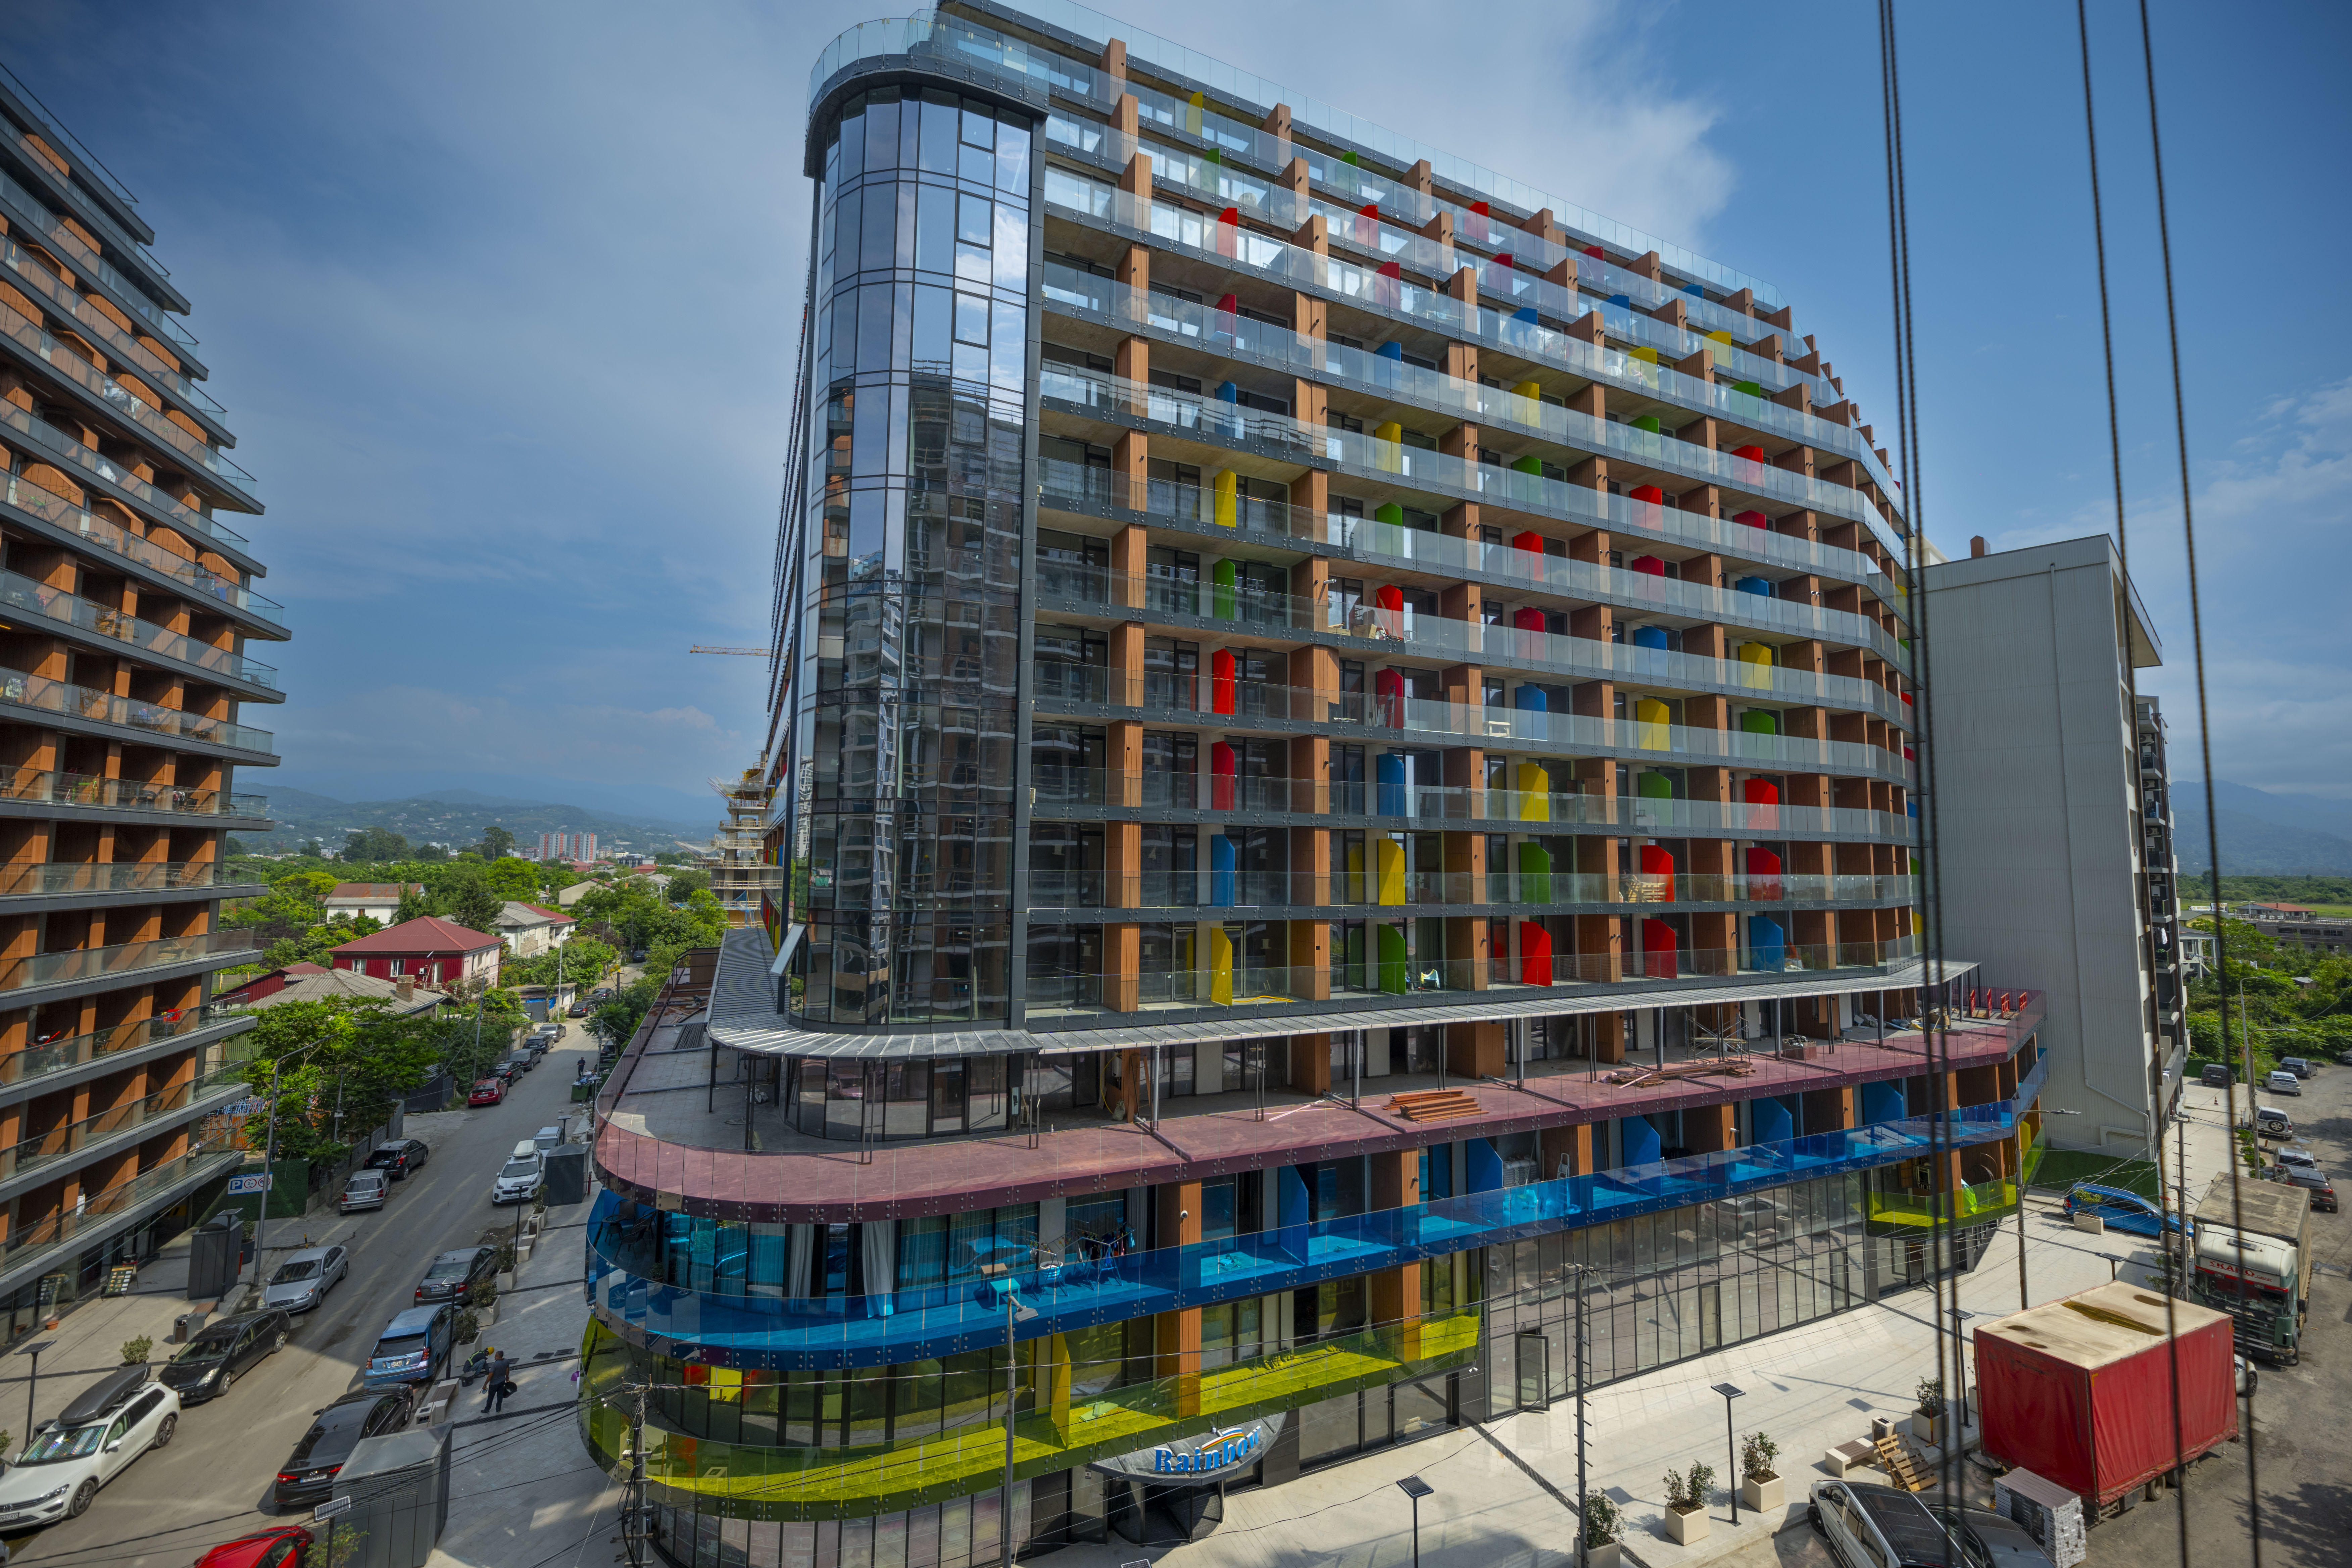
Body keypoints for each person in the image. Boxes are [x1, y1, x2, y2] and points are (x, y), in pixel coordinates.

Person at [484, 1348, 511, 1414]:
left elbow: (490, 1376)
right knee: (500, 1396)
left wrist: (485, 1385)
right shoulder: (506, 1361)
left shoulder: (495, 1365)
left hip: (494, 1384)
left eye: (496, 1356)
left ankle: (487, 1410)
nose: (495, 1357)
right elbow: (507, 1371)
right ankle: (498, 1409)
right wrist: (507, 1378)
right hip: (502, 1382)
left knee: (491, 1397)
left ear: (499, 1358)